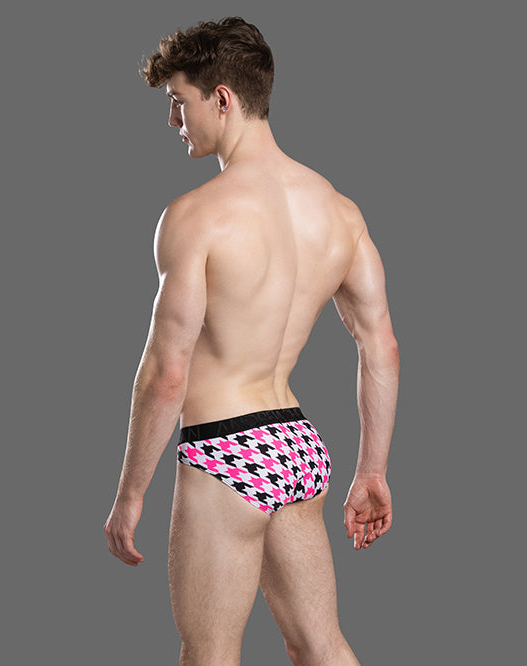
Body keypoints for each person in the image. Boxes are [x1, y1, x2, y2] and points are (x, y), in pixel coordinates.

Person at [103, 16, 399, 666]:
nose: (174, 121)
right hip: (296, 445)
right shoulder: (340, 212)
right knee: (320, 644)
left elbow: (167, 372)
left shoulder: (196, 216)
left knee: (209, 654)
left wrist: (130, 494)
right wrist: (372, 471)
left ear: (222, 99)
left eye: (179, 102)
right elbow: (380, 347)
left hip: (227, 449)